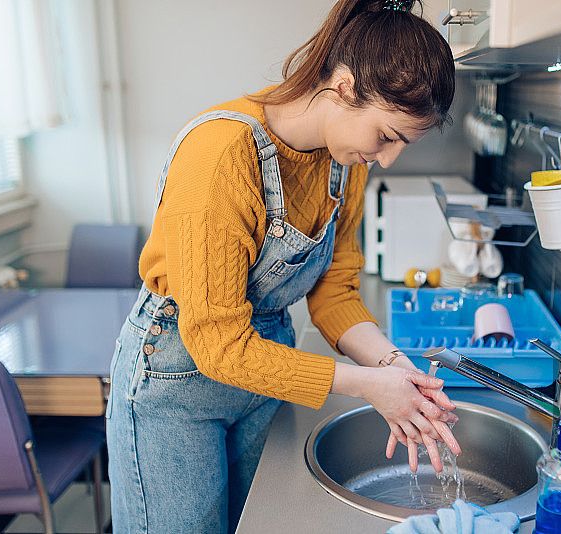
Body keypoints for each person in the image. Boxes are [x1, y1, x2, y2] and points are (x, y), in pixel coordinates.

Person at [106, 0, 459, 532]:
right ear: (343, 87)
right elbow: (218, 344)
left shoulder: (345, 165)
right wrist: (364, 385)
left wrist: (393, 368)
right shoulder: (222, 154)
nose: (388, 159)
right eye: (387, 137)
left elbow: (334, 292)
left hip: (266, 373)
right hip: (176, 378)